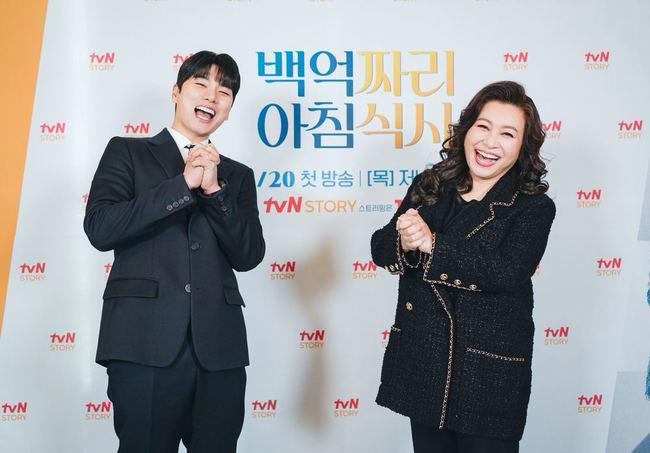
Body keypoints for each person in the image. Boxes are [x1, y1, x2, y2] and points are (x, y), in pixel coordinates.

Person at [84, 51, 265, 453]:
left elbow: (249, 254)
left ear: (229, 109)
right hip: (142, 342)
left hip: (219, 351)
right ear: (176, 92)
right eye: (201, 84)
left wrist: (214, 191)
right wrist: (183, 185)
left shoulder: (237, 176)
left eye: (224, 92)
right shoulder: (127, 152)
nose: (212, 97)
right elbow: (101, 227)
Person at [371, 81, 555, 453]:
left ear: (523, 146)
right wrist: (404, 240)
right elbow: (380, 248)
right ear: (467, 129)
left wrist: (432, 244)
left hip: (486, 377)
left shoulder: (533, 206)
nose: (490, 142)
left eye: (507, 134)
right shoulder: (431, 185)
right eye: (483, 126)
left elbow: (506, 271)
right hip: (426, 363)